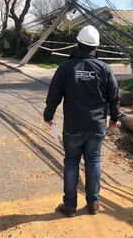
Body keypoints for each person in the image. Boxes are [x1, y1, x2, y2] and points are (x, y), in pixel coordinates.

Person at [43, 25, 121, 217]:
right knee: (93, 161)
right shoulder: (104, 69)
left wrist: (49, 113)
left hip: (73, 126)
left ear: (77, 44)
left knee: (71, 162)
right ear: (96, 47)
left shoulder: (66, 67)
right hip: (96, 126)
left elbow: (54, 93)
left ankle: (70, 206)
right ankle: (93, 204)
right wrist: (115, 118)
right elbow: (114, 96)